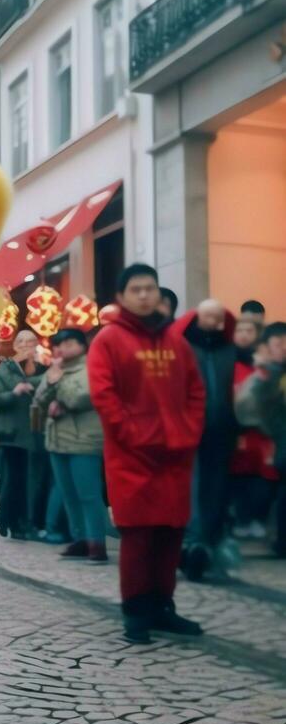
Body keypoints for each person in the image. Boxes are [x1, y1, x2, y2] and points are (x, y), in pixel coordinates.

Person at [88, 264, 205, 643]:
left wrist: (189, 432)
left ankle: (162, 606)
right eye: (135, 289)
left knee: (170, 534)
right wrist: (132, 435)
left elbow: (195, 392)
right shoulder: (109, 340)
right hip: (132, 457)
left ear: (158, 294)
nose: (143, 295)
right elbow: (104, 396)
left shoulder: (175, 342)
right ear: (121, 297)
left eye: (149, 288)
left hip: (176, 455)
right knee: (138, 538)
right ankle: (136, 612)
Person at [176, 298, 237, 580]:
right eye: (209, 317)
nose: (214, 323)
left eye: (218, 318)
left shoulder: (230, 351)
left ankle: (207, 540)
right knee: (193, 485)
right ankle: (194, 541)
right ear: (197, 318)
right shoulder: (184, 348)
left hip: (222, 430)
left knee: (216, 486)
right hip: (189, 428)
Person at [33, 328, 106, 563]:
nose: (62, 349)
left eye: (69, 343)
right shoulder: (55, 370)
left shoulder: (92, 367)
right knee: (68, 494)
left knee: (89, 494)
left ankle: (97, 543)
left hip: (84, 439)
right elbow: (38, 402)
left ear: (82, 345)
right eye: (58, 345)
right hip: (57, 439)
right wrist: (51, 385)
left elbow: (79, 397)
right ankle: (80, 539)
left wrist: (56, 386)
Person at [235, 322, 286, 557]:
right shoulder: (264, 375)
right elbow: (248, 406)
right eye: (279, 344)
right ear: (266, 347)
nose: (284, 348)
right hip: (270, 439)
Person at [0, 329, 46, 539]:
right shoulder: (6, 368)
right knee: (14, 479)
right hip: (12, 433)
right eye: (21, 341)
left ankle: (20, 520)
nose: (25, 345)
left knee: (31, 480)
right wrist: (14, 393)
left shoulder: (42, 368)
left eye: (30, 341)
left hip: (36, 432)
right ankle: (10, 519)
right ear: (15, 346)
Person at [230, 318, 277, 539]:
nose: (244, 335)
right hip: (236, 430)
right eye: (239, 330)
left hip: (264, 431)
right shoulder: (228, 361)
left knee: (265, 477)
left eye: (249, 330)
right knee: (239, 476)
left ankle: (257, 519)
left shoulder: (264, 364)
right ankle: (241, 519)